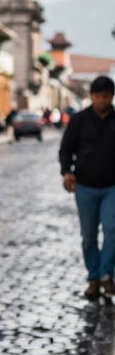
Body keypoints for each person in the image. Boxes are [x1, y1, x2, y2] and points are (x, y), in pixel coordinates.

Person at [59, 75, 115, 300]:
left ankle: (106, 275)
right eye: (99, 96)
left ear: (112, 96)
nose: (103, 100)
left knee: (112, 231)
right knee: (89, 236)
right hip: (85, 186)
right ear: (92, 96)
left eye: (107, 96)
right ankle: (93, 277)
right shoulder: (79, 121)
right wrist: (67, 171)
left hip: (112, 186)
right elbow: (65, 150)